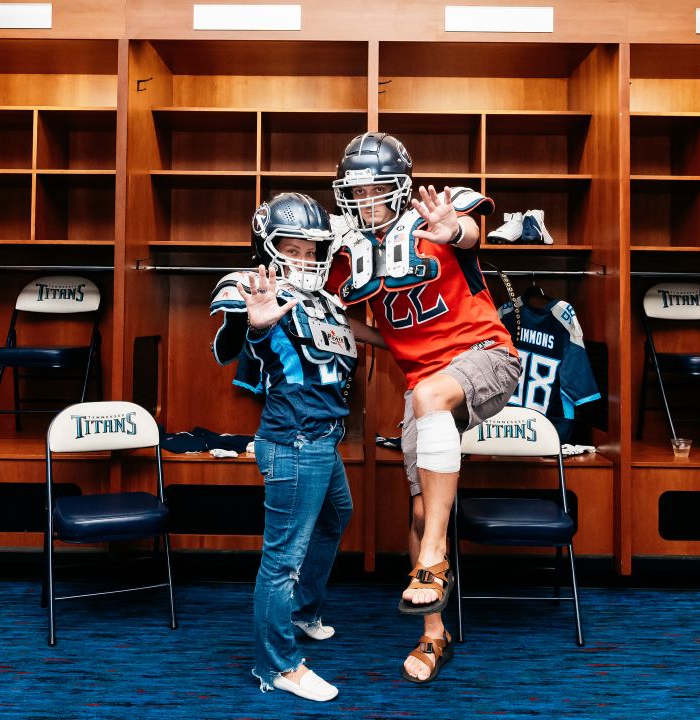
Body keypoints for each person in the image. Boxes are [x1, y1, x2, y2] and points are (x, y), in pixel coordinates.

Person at [328, 132, 522, 683]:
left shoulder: (436, 215)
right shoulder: (349, 257)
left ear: (399, 187)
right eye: (356, 191)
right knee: (418, 510)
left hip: (486, 357)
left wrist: (453, 229)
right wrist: (328, 321)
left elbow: (471, 230)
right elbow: (372, 328)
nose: (366, 200)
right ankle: (434, 635)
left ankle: (433, 558)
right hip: (422, 383)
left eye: (376, 189)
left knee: (430, 393)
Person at [210, 192, 355, 702]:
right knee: (282, 560)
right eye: (292, 247)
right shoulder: (252, 288)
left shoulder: (323, 299)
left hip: (324, 437)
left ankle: (302, 613)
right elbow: (229, 345)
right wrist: (255, 324)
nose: (304, 258)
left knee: (338, 517)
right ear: (268, 245)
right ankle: (277, 666)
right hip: (294, 441)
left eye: (313, 248)